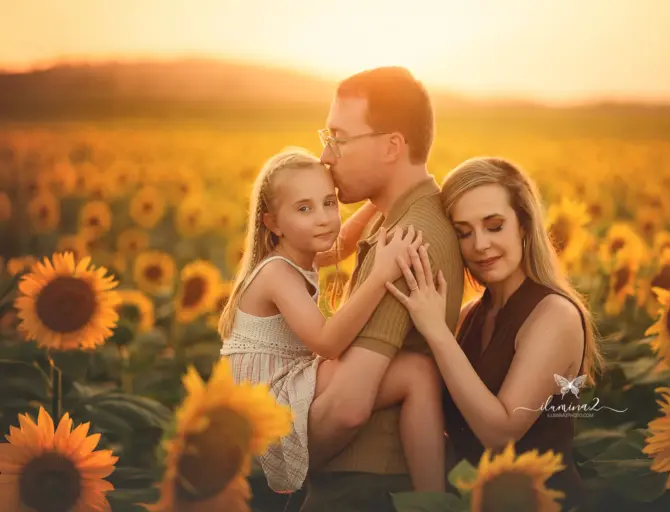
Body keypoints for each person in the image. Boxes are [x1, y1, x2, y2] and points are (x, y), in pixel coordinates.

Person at [218, 147, 447, 495]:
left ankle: (433, 501)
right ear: (272, 223)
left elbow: (344, 243)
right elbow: (327, 342)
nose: (324, 217)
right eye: (304, 208)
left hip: (288, 384)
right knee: (408, 372)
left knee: (418, 372)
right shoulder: (276, 272)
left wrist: (382, 194)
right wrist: (380, 273)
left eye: (329, 202)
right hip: (268, 409)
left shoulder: (299, 250)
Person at [385, 157, 603, 511]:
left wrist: (436, 331)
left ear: (523, 225)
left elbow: (500, 435)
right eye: (464, 232)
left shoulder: (554, 315)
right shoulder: (470, 315)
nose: (480, 245)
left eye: (494, 226)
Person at [297, 67, 466, 511]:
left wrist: (280, 464)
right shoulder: (391, 215)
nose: (325, 157)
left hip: (362, 488)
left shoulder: (411, 240)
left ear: (393, 146)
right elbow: (321, 252)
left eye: (339, 137)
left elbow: (348, 407)